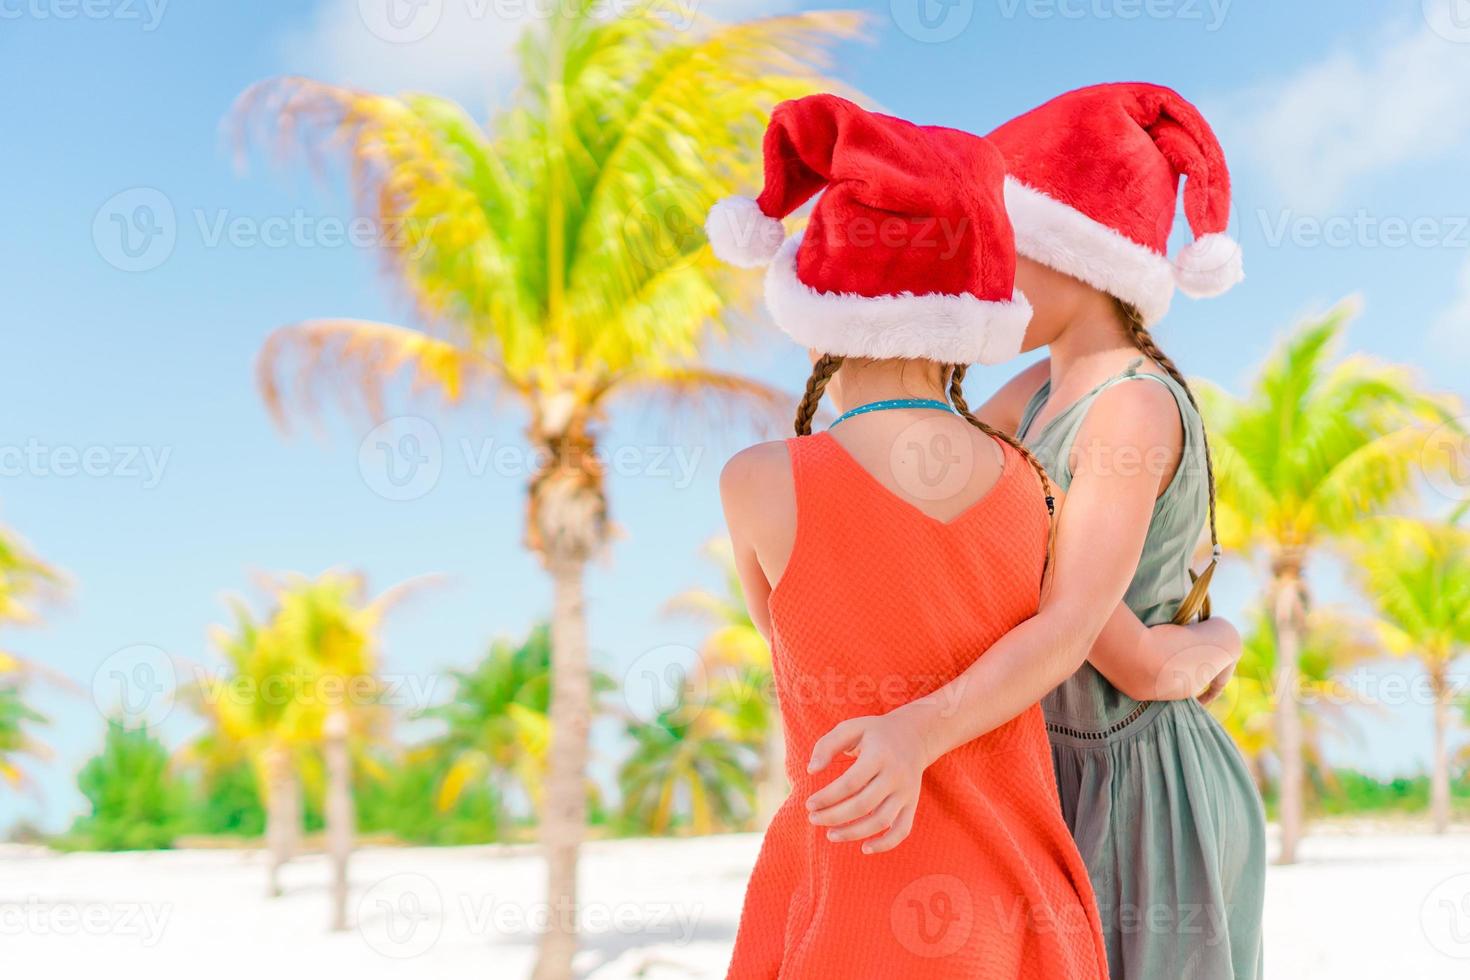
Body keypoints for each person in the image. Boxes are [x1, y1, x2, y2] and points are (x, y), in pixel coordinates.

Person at [708, 92, 1225, 980]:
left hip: (850, 885)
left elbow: (787, 635)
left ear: (817, 310)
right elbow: (1050, 627)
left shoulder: (756, 483)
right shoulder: (1027, 478)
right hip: (1020, 883)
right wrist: (1221, 633)